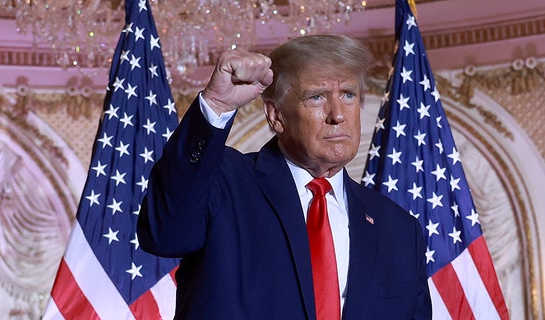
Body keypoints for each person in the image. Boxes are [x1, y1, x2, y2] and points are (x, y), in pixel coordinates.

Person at [137, 34, 432, 319]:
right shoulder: (223, 180)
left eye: (348, 94)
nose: (338, 114)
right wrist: (217, 105)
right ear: (276, 116)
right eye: (316, 97)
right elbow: (165, 236)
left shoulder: (400, 230)